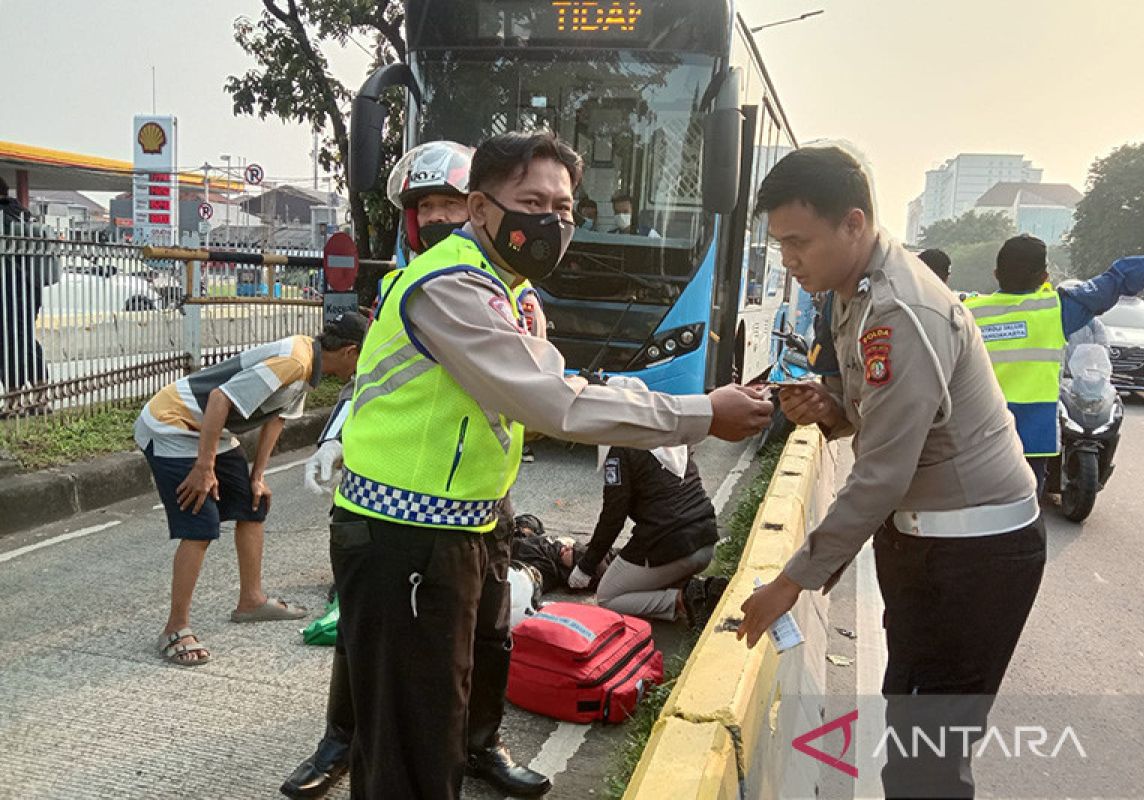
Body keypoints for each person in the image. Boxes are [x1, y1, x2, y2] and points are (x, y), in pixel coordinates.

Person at [331, 131, 773, 800]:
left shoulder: (502, 288)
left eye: (565, 208)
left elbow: (563, 381)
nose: (552, 222)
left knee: (450, 707)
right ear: (480, 208)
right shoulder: (449, 287)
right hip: (406, 538)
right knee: (410, 742)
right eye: (533, 201)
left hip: (469, 525)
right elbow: (555, 403)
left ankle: (475, 754)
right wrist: (701, 413)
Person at [737, 145, 1045, 799]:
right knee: (908, 734)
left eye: (798, 242)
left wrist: (789, 584)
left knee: (927, 763)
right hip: (926, 542)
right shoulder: (856, 290)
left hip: (975, 556)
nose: (788, 261)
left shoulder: (901, 309)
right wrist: (831, 403)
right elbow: (883, 411)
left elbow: (881, 474)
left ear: (853, 224)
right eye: (780, 245)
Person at [287, 141, 550, 799]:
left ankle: (481, 743)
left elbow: (539, 385)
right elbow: (378, 381)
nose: (435, 216)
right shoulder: (407, 283)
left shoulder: (509, 291)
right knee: (368, 635)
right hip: (399, 504)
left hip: (481, 498)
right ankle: (341, 741)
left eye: (448, 204)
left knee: (488, 631)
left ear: (478, 209)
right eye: (423, 206)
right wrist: (335, 436)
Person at [139, 313, 367, 667]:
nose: (356, 372)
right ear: (351, 351)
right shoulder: (295, 359)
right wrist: (204, 467)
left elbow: (277, 418)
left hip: (206, 426)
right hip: (173, 424)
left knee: (252, 502)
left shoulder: (308, 368)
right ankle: (175, 627)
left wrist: (258, 475)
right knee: (201, 519)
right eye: (360, 361)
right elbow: (218, 399)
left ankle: (251, 600)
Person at [965, 234, 1144, 495]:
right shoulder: (1057, 310)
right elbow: (1122, 275)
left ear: (996, 273)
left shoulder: (966, 313)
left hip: (975, 442)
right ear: (1044, 277)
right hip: (1031, 442)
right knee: (1021, 522)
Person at [568, 378, 727, 626]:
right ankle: (692, 587)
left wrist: (585, 568)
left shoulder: (622, 447)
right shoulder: (671, 435)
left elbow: (613, 516)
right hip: (705, 542)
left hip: (670, 546)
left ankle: (681, 600)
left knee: (608, 596)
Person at [0, 177, 54, 415]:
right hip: (28, 289)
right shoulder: (22, 214)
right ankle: (40, 395)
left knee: (8, 343)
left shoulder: (3, 217)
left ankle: (14, 397)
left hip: (7, 288)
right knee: (24, 339)